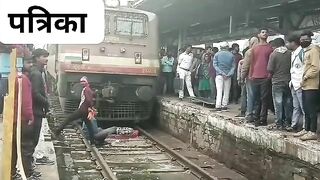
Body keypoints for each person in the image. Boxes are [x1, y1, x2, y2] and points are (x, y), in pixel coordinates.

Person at [12, 57, 39, 180]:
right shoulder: (24, 80)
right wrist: (30, 117)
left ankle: (12, 173)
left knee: (14, 148)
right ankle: (27, 174)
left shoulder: (13, 77)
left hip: (14, 119)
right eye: (28, 62)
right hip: (22, 120)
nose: (31, 64)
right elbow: (26, 102)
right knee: (26, 148)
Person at [53, 76, 96, 144]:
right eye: (81, 81)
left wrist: (90, 108)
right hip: (85, 111)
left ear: (87, 82)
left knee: (69, 118)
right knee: (89, 125)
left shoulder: (86, 90)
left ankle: (57, 132)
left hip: (82, 110)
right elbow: (91, 100)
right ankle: (92, 141)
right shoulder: (88, 89)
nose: (82, 83)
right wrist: (91, 108)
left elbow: (88, 100)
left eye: (83, 81)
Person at [245, 28, 273, 126]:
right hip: (255, 77)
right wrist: (251, 74)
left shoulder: (270, 48)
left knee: (264, 99)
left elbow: (271, 63)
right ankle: (256, 117)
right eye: (262, 32)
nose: (264, 34)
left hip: (265, 77)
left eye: (266, 32)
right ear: (259, 35)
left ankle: (263, 119)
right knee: (256, 99)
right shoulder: (254, 49)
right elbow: (252, 63)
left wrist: (269, 75)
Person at [29, 49, 52, 166]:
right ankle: (28, 169)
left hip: (37, 111)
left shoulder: (39, 72)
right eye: (44, 56)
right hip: (35, 111)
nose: (46, 59)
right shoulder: (36, 74)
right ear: (37, 58)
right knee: (33, 140)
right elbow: (35, 93)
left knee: (34, 140)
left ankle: (29, 167)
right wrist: (46, 103)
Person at [296, 31, 320, 141]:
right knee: (306, 108)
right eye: (301, 40)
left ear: (310, 39)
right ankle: (306, 129)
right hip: (306, 85)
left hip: (312, 84)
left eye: (304, 39)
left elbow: (316, 67)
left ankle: (313, 131)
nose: (302, 41)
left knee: (311, 109)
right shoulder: (307, 51)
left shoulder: (314, 50)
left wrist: (306, 77)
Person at [267, 38, 292, 130]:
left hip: (277, 82)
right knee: (288, 103)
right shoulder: (290, 53)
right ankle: (288, 123)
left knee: (278, 103)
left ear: (275, 45)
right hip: (288, 81)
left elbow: (269, 68)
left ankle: (279, 124)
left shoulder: (273, 54)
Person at [286, 34, 305, 133]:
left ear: (293, 42)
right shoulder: (293, 53)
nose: (287, 44)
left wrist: (303, 81)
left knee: (303, 107)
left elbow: (305, 68)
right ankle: (294, 125)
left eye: (288, 42)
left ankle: (305, 127)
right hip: (294, 83)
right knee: (296, 106)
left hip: (300, 83)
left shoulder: (302, 52)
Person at [213, 42, 236, 111]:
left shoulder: (217, 54)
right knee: (227, 90)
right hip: (228, 76)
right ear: (227, 47)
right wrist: (228, 74)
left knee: (219, 90)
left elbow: (215, 65)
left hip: (219, 75)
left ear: (220, 47)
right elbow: (233, 66)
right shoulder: (231, 55)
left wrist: (221, 73)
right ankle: (224, 105)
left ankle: (218, 105)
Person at [241, 37, 259, 120]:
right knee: (258, 97)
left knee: (250, 96)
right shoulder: (262, 51)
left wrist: (242, 77)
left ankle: (249, 114)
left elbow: (245, 66)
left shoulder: (249, 52)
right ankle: (257, 114)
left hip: (250, 76)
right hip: (261, 77)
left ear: (251, 43)